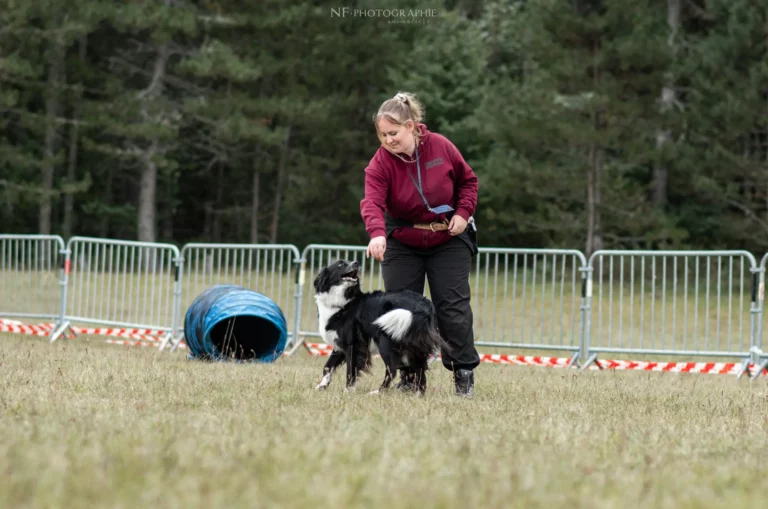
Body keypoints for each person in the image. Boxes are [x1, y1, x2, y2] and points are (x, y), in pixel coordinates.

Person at [360, 91, 480, 397]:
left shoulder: (441, 146)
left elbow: (468, 182)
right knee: (402, 310)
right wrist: (376, 234)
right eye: (383, 135)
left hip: (449, 237)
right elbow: (372, 202)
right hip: (403, 240)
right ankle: (410, 378)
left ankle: (463, 373)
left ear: (411, 126)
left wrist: (464, 214)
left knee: (452, 309)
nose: (388, 140)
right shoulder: (380, 163)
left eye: (394, 133)